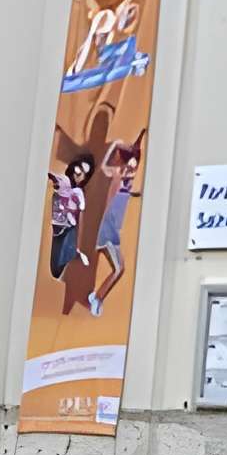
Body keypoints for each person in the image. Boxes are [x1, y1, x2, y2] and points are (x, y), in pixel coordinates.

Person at [89, 130, 144, 318]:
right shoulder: (116, 173)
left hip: (113, 229)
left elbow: (125, 193)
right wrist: (116, 144)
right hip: (107, 227)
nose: (132, 168)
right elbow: (104, 165)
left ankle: (96, 296)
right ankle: (97, 298)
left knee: (118, 268)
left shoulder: (129, 177)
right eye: (130, 163)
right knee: (119, 268)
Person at [46, 153, 94, 280]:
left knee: (57, 269)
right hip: (57, 227)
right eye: (79, 169)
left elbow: (80, 217)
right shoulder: (65, 180)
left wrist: (78, 246)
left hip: (68, 229)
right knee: (55, 267)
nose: (79, 174)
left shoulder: (79, 193)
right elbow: (56, 179)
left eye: (84, 173)